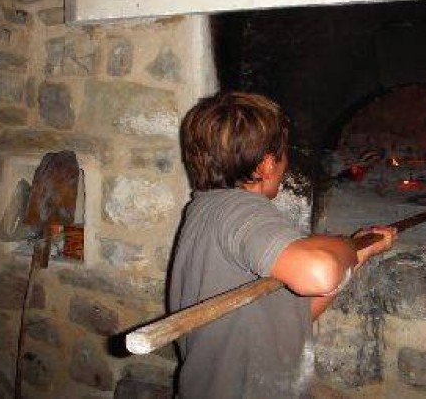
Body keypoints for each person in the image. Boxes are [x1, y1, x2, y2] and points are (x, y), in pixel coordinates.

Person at [169, 91, 397, 398]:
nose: (286, 162)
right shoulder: (240, 211)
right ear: (265, 165)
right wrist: (343, 244)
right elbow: (318, 272)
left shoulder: (208, 208)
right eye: (283, 153)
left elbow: (292, 315)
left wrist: (360, 252)